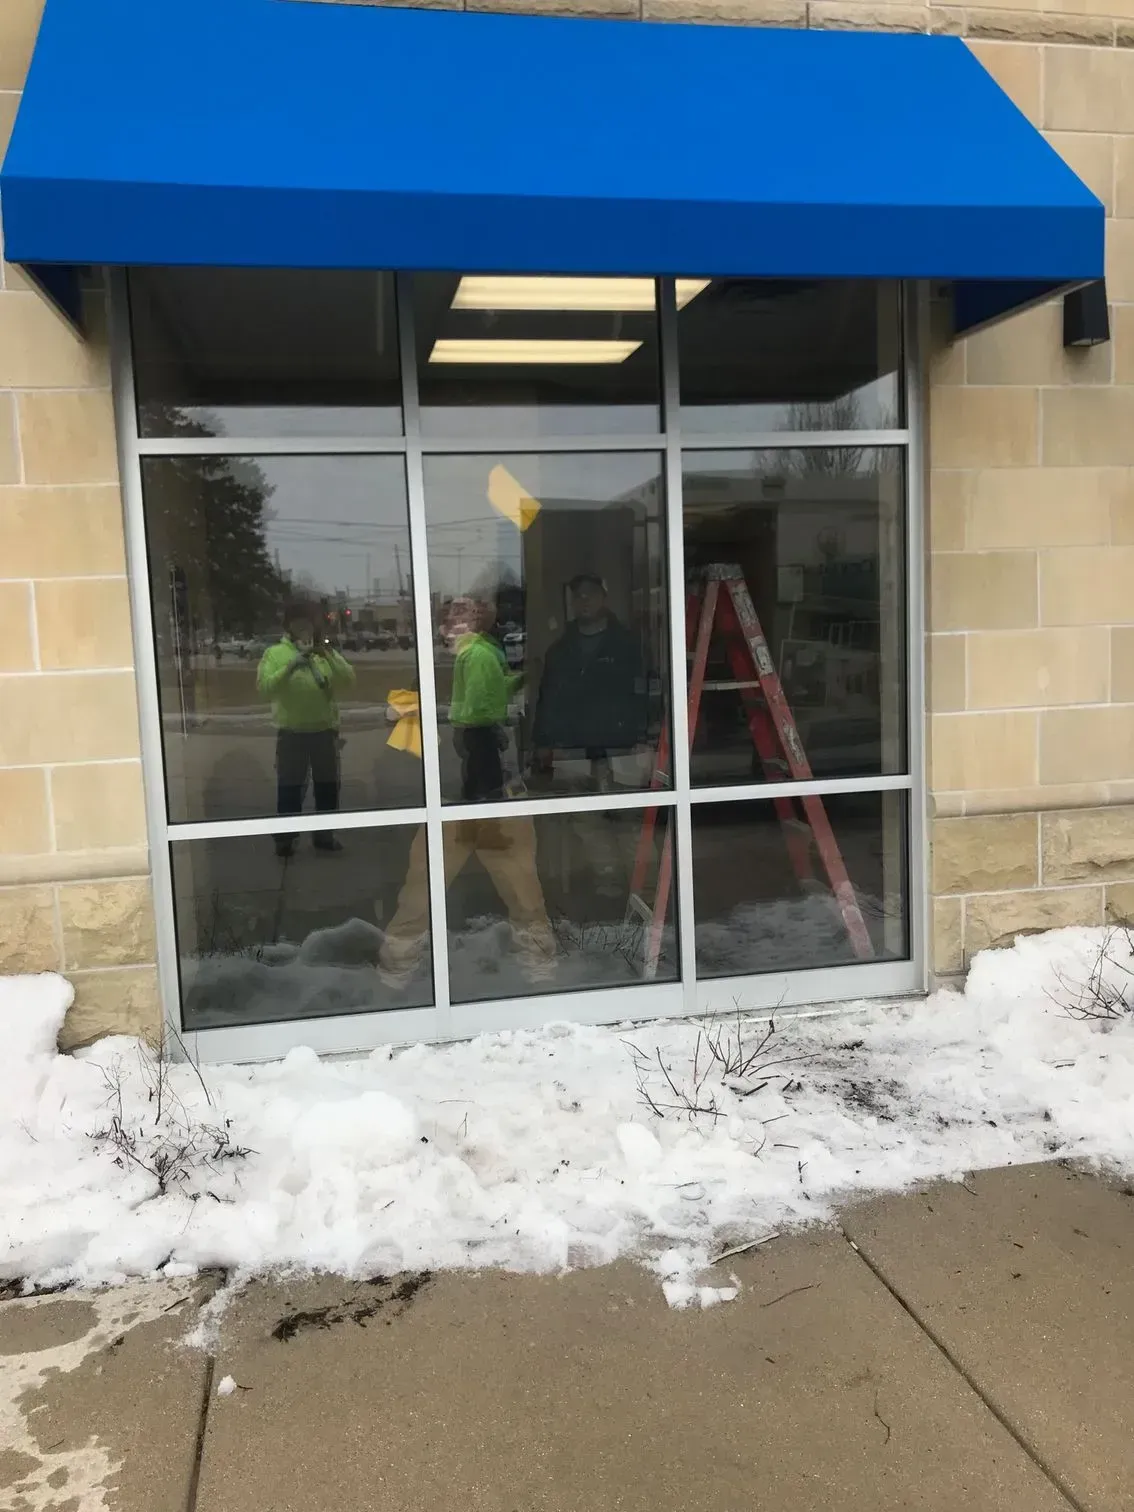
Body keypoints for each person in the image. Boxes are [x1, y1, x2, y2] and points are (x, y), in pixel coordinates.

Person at [379, 587, 556, 988]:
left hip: (482, 795)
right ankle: (395, 975)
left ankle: (540, 972)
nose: (451, 628)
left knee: (519, 890)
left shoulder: (476, 658)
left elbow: (476, 710)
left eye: (461, 619)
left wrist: (473, 719)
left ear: (477, 624)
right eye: (448, 620)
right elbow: (398, 709)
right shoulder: (449, 664)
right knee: (423, 894)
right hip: (459, 798)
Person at [531, 573, 647, 893]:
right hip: (574, 747)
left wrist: (644, 734)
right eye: (577, 596)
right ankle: (608, 882)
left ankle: (639, 888)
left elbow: (647, 692)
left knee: (627, 820)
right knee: (586, 821)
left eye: (590, 595)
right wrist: (543, 742)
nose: (584, 601)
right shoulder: (560, 651)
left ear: (603, 598)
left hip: (623, 746)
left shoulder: (627, 645)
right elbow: (548, 699)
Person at [256, 604, 355, 857]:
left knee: (327, 787)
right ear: (289, 627)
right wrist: (290, 667)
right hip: (292, 734)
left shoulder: (323, 654)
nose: (305, 629)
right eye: (299, 624)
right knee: (290, 788)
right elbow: (265, 688)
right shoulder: (274, 654)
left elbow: (349, 680)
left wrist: (329, 654)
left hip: (324, 732)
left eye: (309, 624)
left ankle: (325, 835)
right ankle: (285, 839)